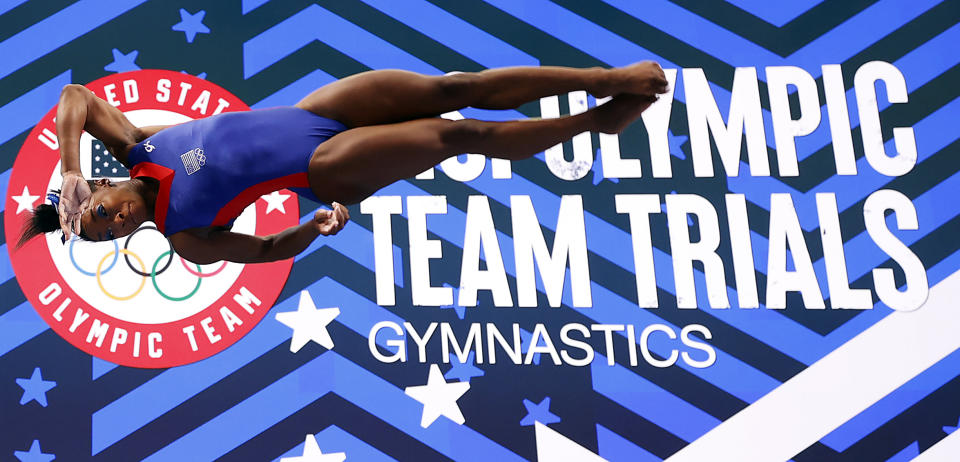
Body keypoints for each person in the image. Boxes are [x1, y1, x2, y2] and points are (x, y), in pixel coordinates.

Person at [18, 63, 668, 264]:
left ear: (100, 186)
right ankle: (596, 119)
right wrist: (313, 229)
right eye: (113, 232)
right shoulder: (184, 233)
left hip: (316, 111)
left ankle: (605, 79)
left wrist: (66, 168)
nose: (119, 221)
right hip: (323, 164)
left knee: (453, 88)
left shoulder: (138, 145)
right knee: (457, 134)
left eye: (103, 214)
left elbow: (76, 97)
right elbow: (267, 250)